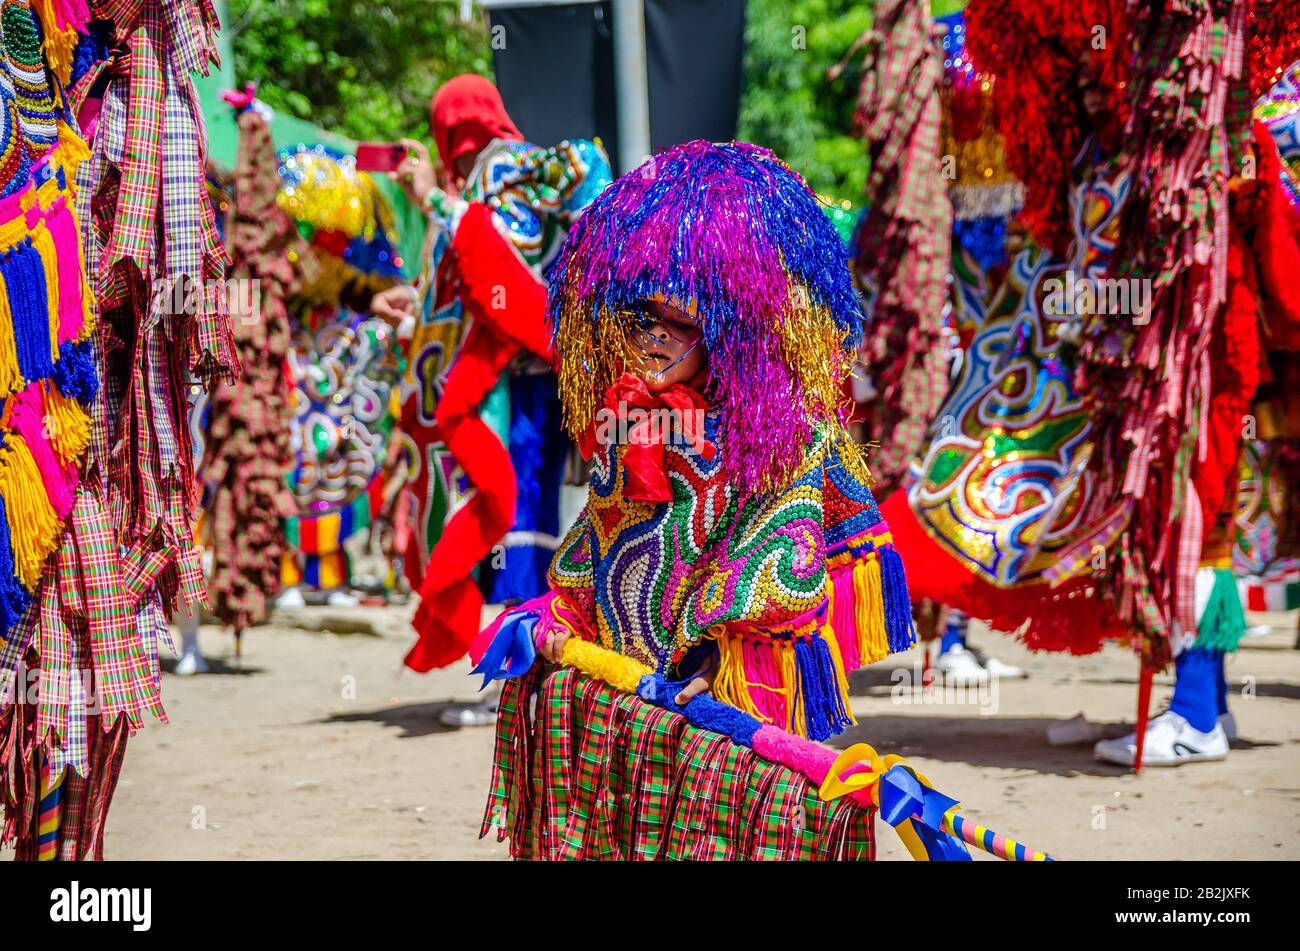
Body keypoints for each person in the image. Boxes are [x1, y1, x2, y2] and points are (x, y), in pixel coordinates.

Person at [469, 141, 917, 858]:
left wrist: (712, 655)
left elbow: (780, 566)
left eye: (672, 321)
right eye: (637, 316)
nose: (649, 337)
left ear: (727, 327)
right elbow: (597, 547)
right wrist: (553, 612)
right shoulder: (630, 427)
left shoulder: (782, 437)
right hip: (623, 699)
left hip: (719, 704)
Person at [370, 75, 612, 728]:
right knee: (523, 522)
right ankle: (527, 676)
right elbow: (476, 283)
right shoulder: (498, 177)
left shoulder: (496, 173)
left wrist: (430, 202)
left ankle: (519, 682)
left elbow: (497, 262)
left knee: (516, 523)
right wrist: (413, 302)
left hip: (517, 385)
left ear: (450, 128)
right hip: (525, 380)